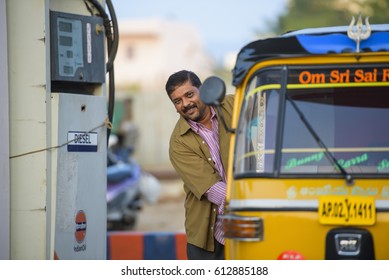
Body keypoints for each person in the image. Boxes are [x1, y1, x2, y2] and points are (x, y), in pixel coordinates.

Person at [165, 70, 234, 260]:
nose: (185, 104)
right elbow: (214, 190)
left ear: (203, 90)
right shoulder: (178, 143)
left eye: (189, 94)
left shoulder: (232, 105)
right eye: (177, 101)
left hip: (246, 227)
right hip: (208, 238)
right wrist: (253, 203)